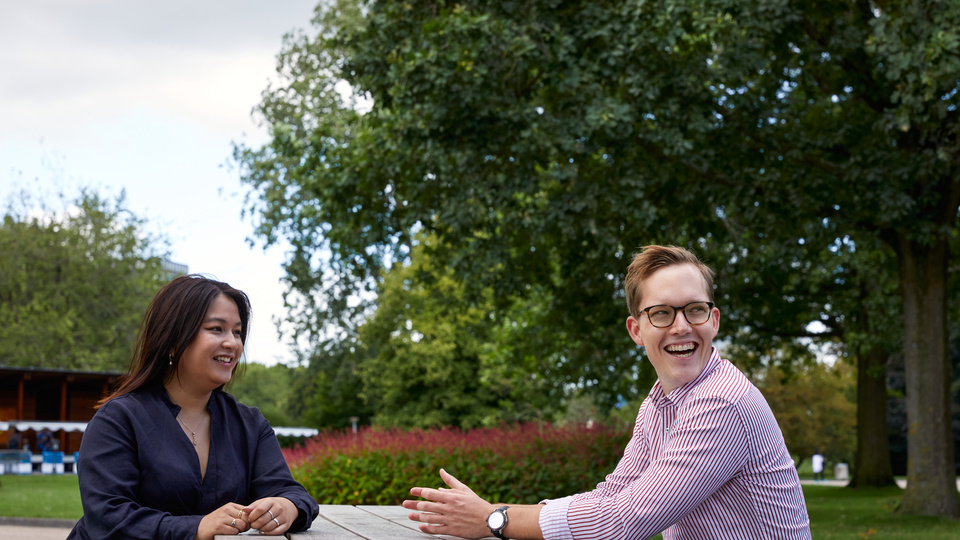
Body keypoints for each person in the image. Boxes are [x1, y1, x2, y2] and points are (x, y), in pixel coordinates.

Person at [404, 245, 811, 539]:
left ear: (714, 320)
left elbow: (625, 521)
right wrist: (495, 514)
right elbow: (613, 495)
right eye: (662, 313)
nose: (682, 326)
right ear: (637, 330)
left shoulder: (722, 402)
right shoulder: (658, 405)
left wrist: (495, 519)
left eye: (695, 309)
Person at [68, 275, 319, 540]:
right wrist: (197, 528)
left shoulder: (249, 424)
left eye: (237, 332)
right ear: (174, 341)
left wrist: (286, 507)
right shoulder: (118, 419)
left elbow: (292, 493)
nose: (233, 343)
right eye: (216, 329)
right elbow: (108, 517)